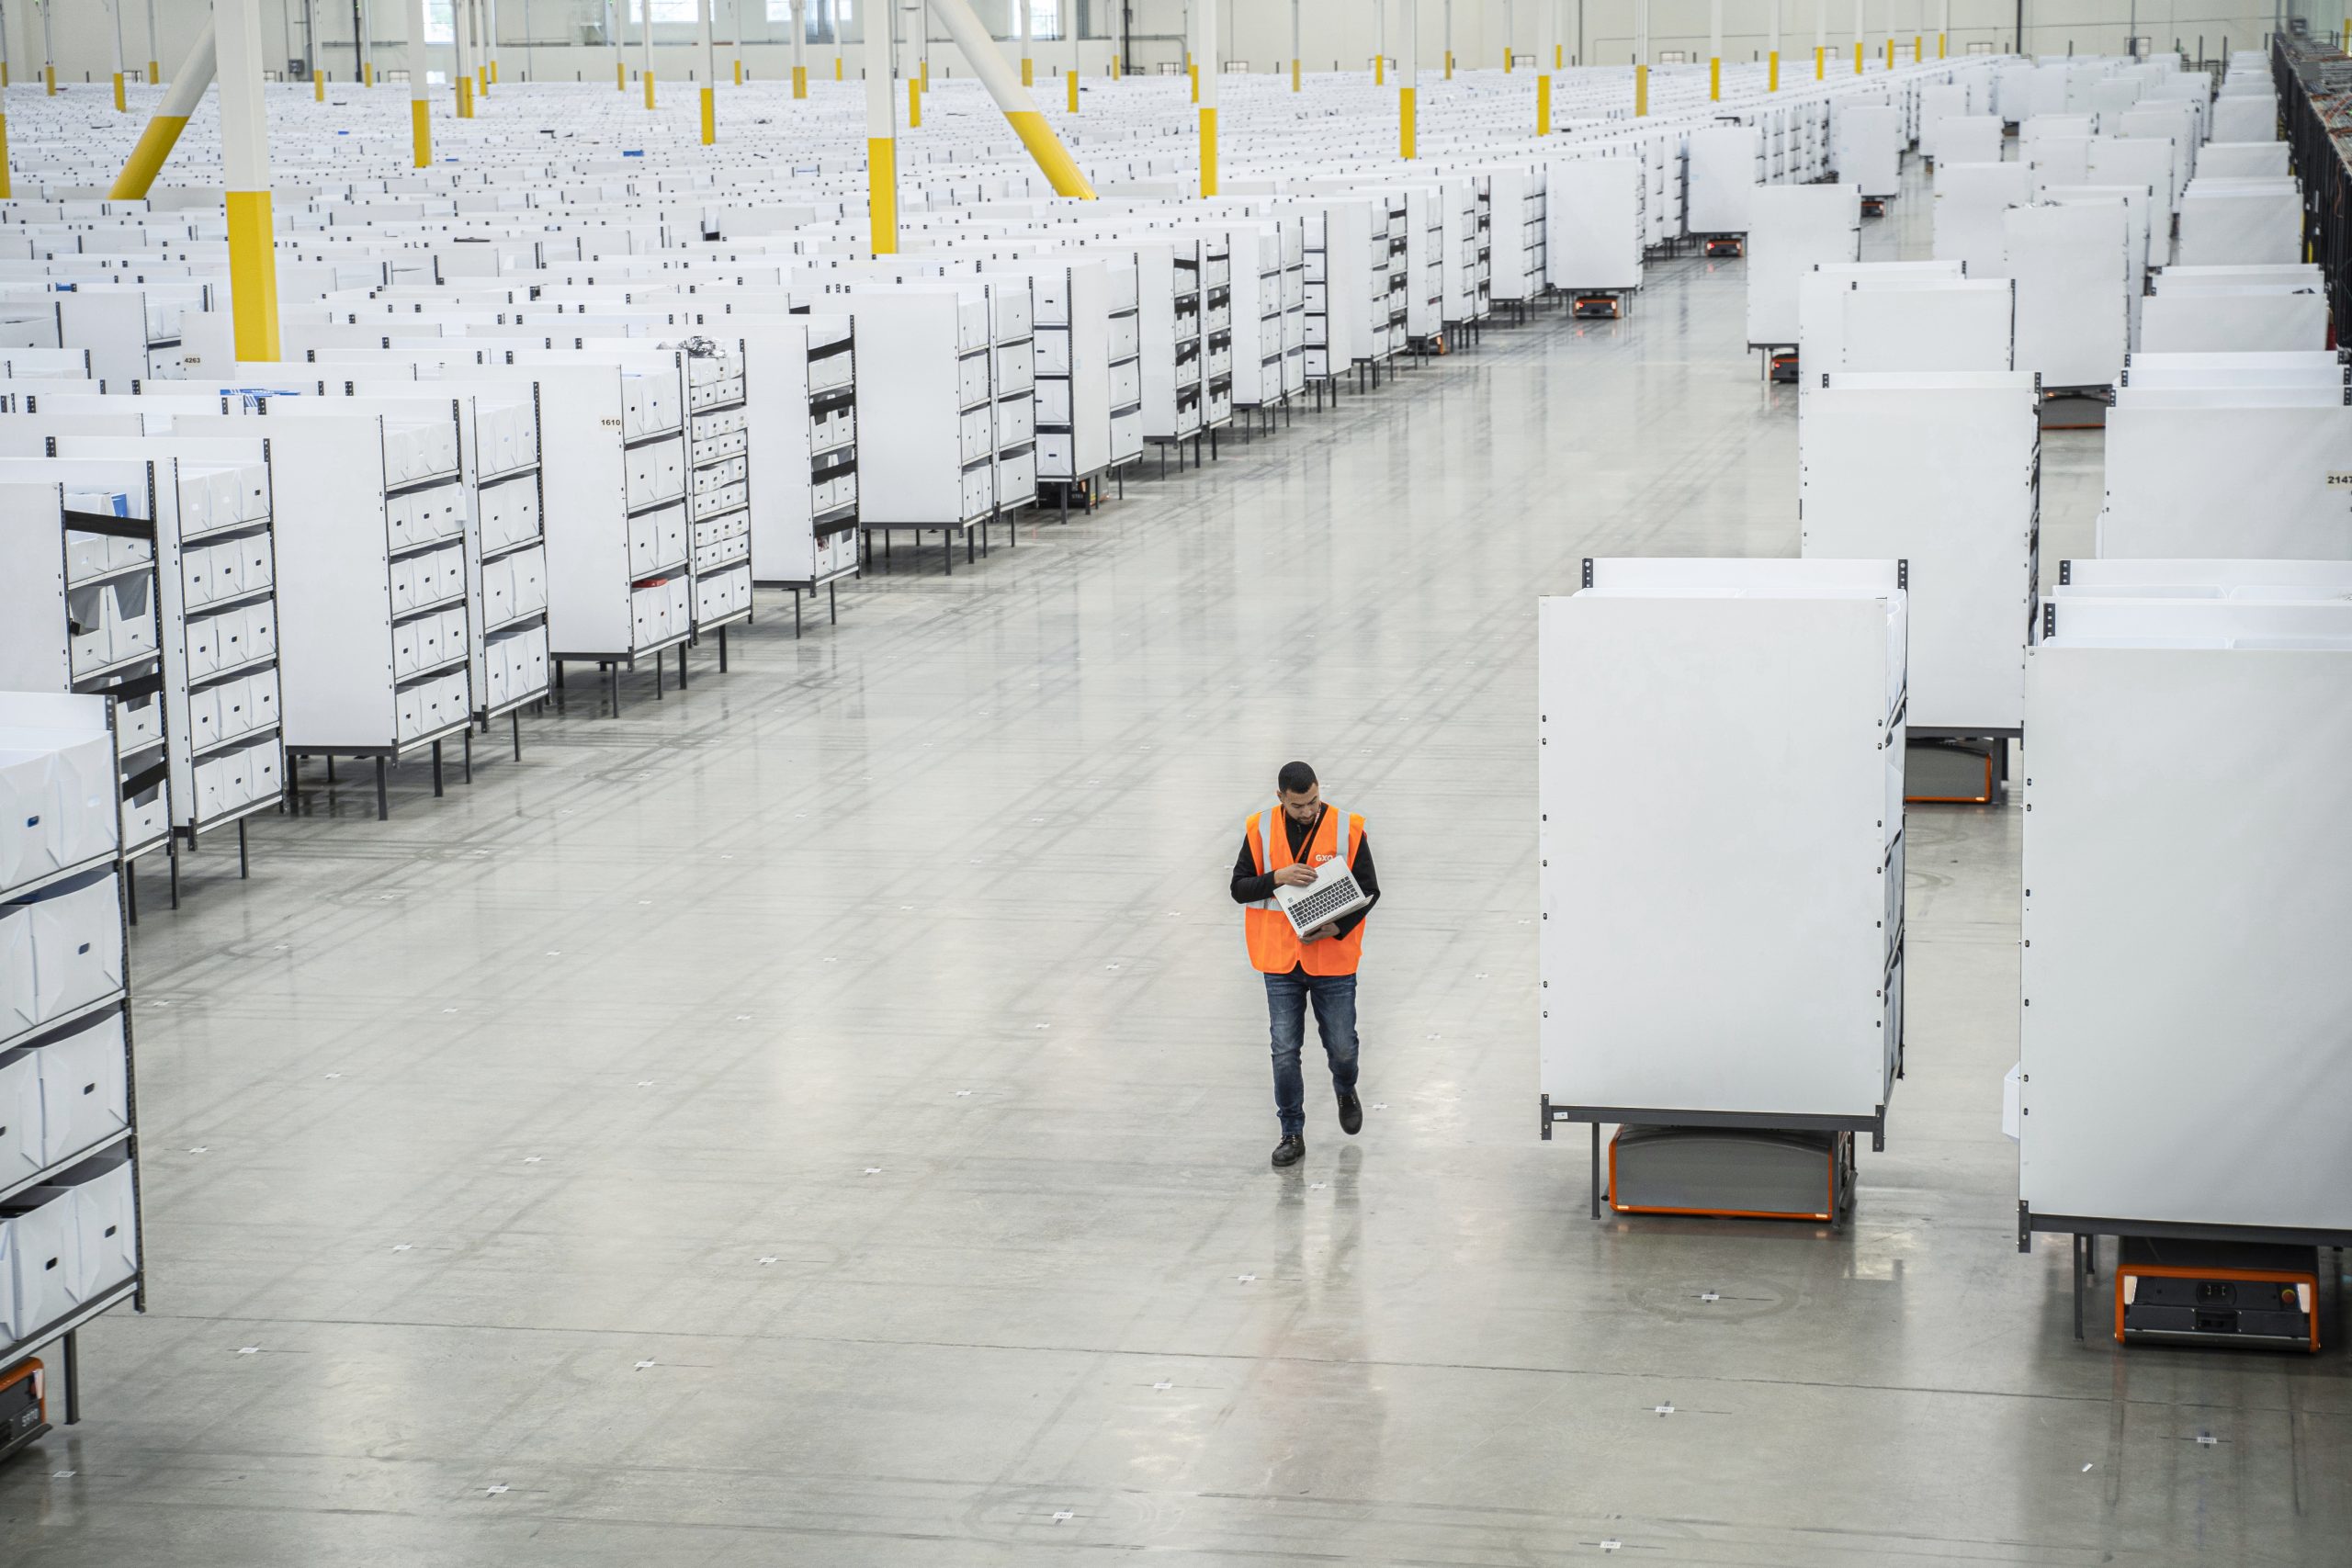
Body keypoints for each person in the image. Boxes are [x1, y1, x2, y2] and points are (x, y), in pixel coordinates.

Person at [1229, 761, 1381, 1168]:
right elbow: (1239, 888)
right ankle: (1291, 1132)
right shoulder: (1260, 829)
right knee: (1284, 1049)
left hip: (1332, 958)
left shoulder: (1347, 827)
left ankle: (1345, 1087)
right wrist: (1277, 876)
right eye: (1299, 805)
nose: (1309, 811)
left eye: (1313, 800)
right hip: (1279, 960)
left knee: (1343, 1046)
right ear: (1280, 798)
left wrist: (1338, 927)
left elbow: (1370, 889)